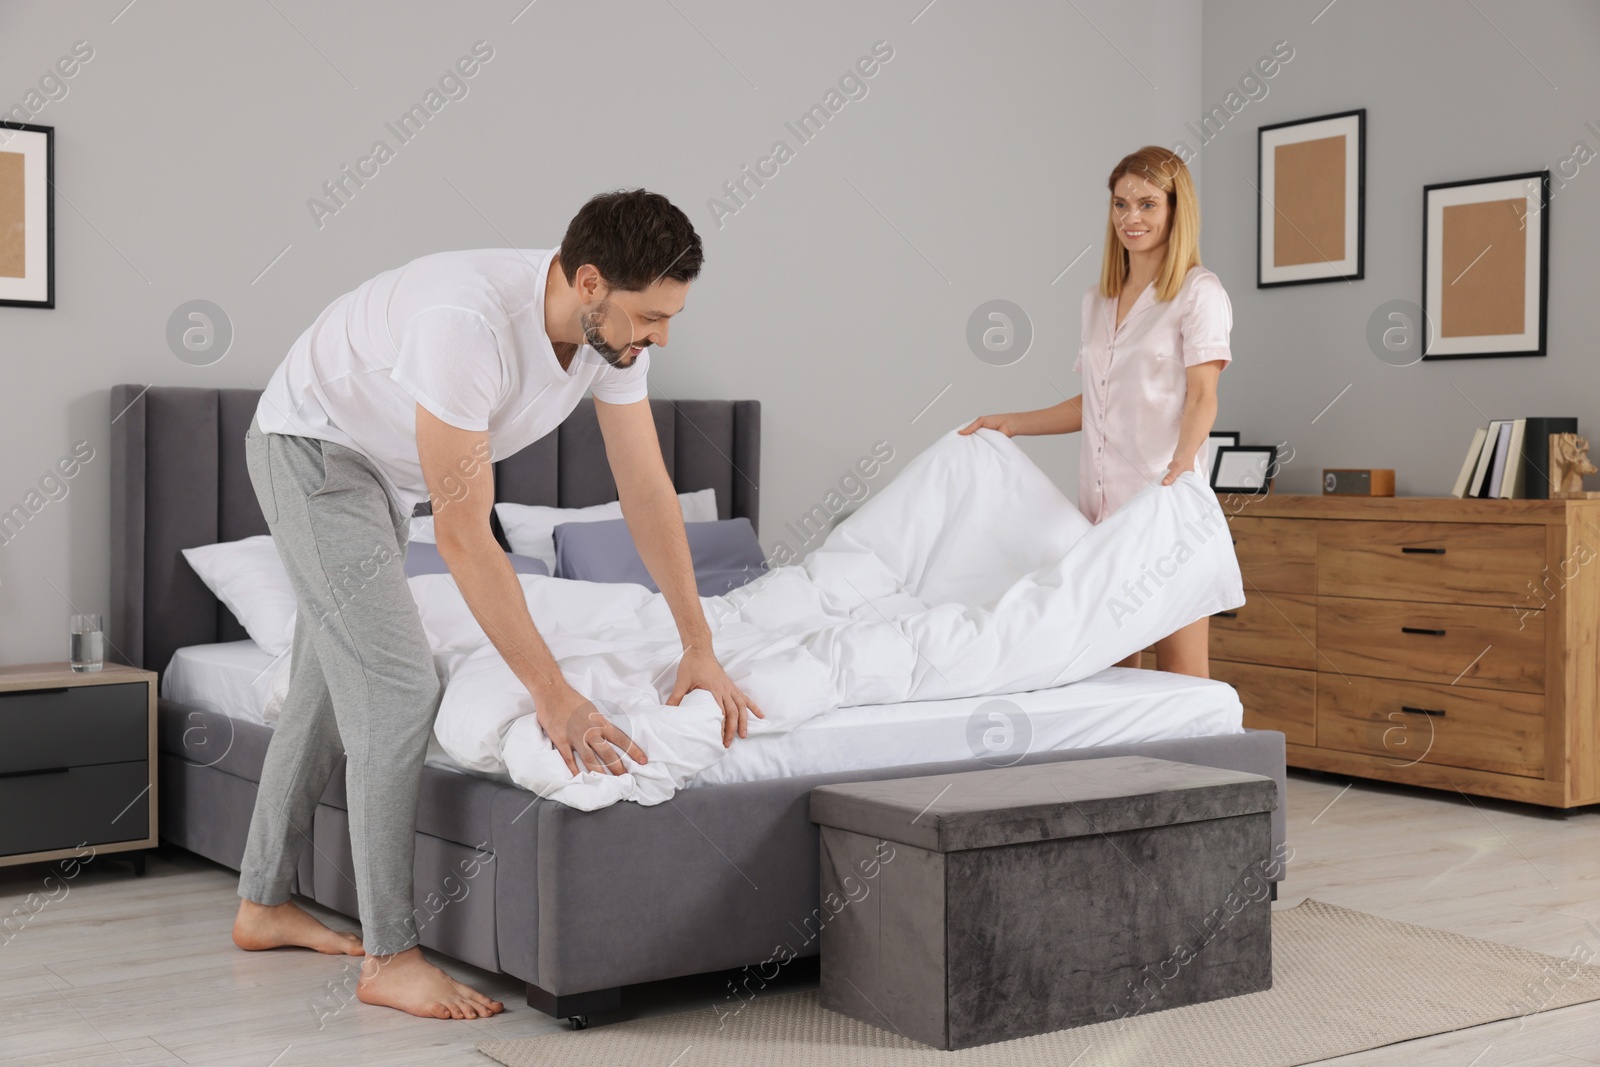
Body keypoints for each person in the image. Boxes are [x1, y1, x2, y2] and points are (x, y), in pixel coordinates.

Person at [231, 189, 763, 1019]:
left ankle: (263, 904)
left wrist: (699, 642)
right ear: (590, 284)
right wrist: (555, 695)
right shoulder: (467, 324)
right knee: (400, 687)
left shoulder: (613, 345)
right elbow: (465, 537)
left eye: (670, 316)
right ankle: (390, 957)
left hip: (383, 471)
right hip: (312, 449)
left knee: (329, 681)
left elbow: (647, 491)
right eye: (651, 316)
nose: (662, 335)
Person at [961, 145, 1233, 678]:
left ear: (1177, 210)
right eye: (1121, 204)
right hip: (1100, 521)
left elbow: (1203, 393)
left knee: (1181, 680)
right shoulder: (1098, 301)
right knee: (1108, 677)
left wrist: (1180, 466)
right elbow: (1098, 402)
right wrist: (1013, 422)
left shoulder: (1199, 293)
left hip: (1163, 515)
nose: (1131, 218)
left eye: (1148, 204)